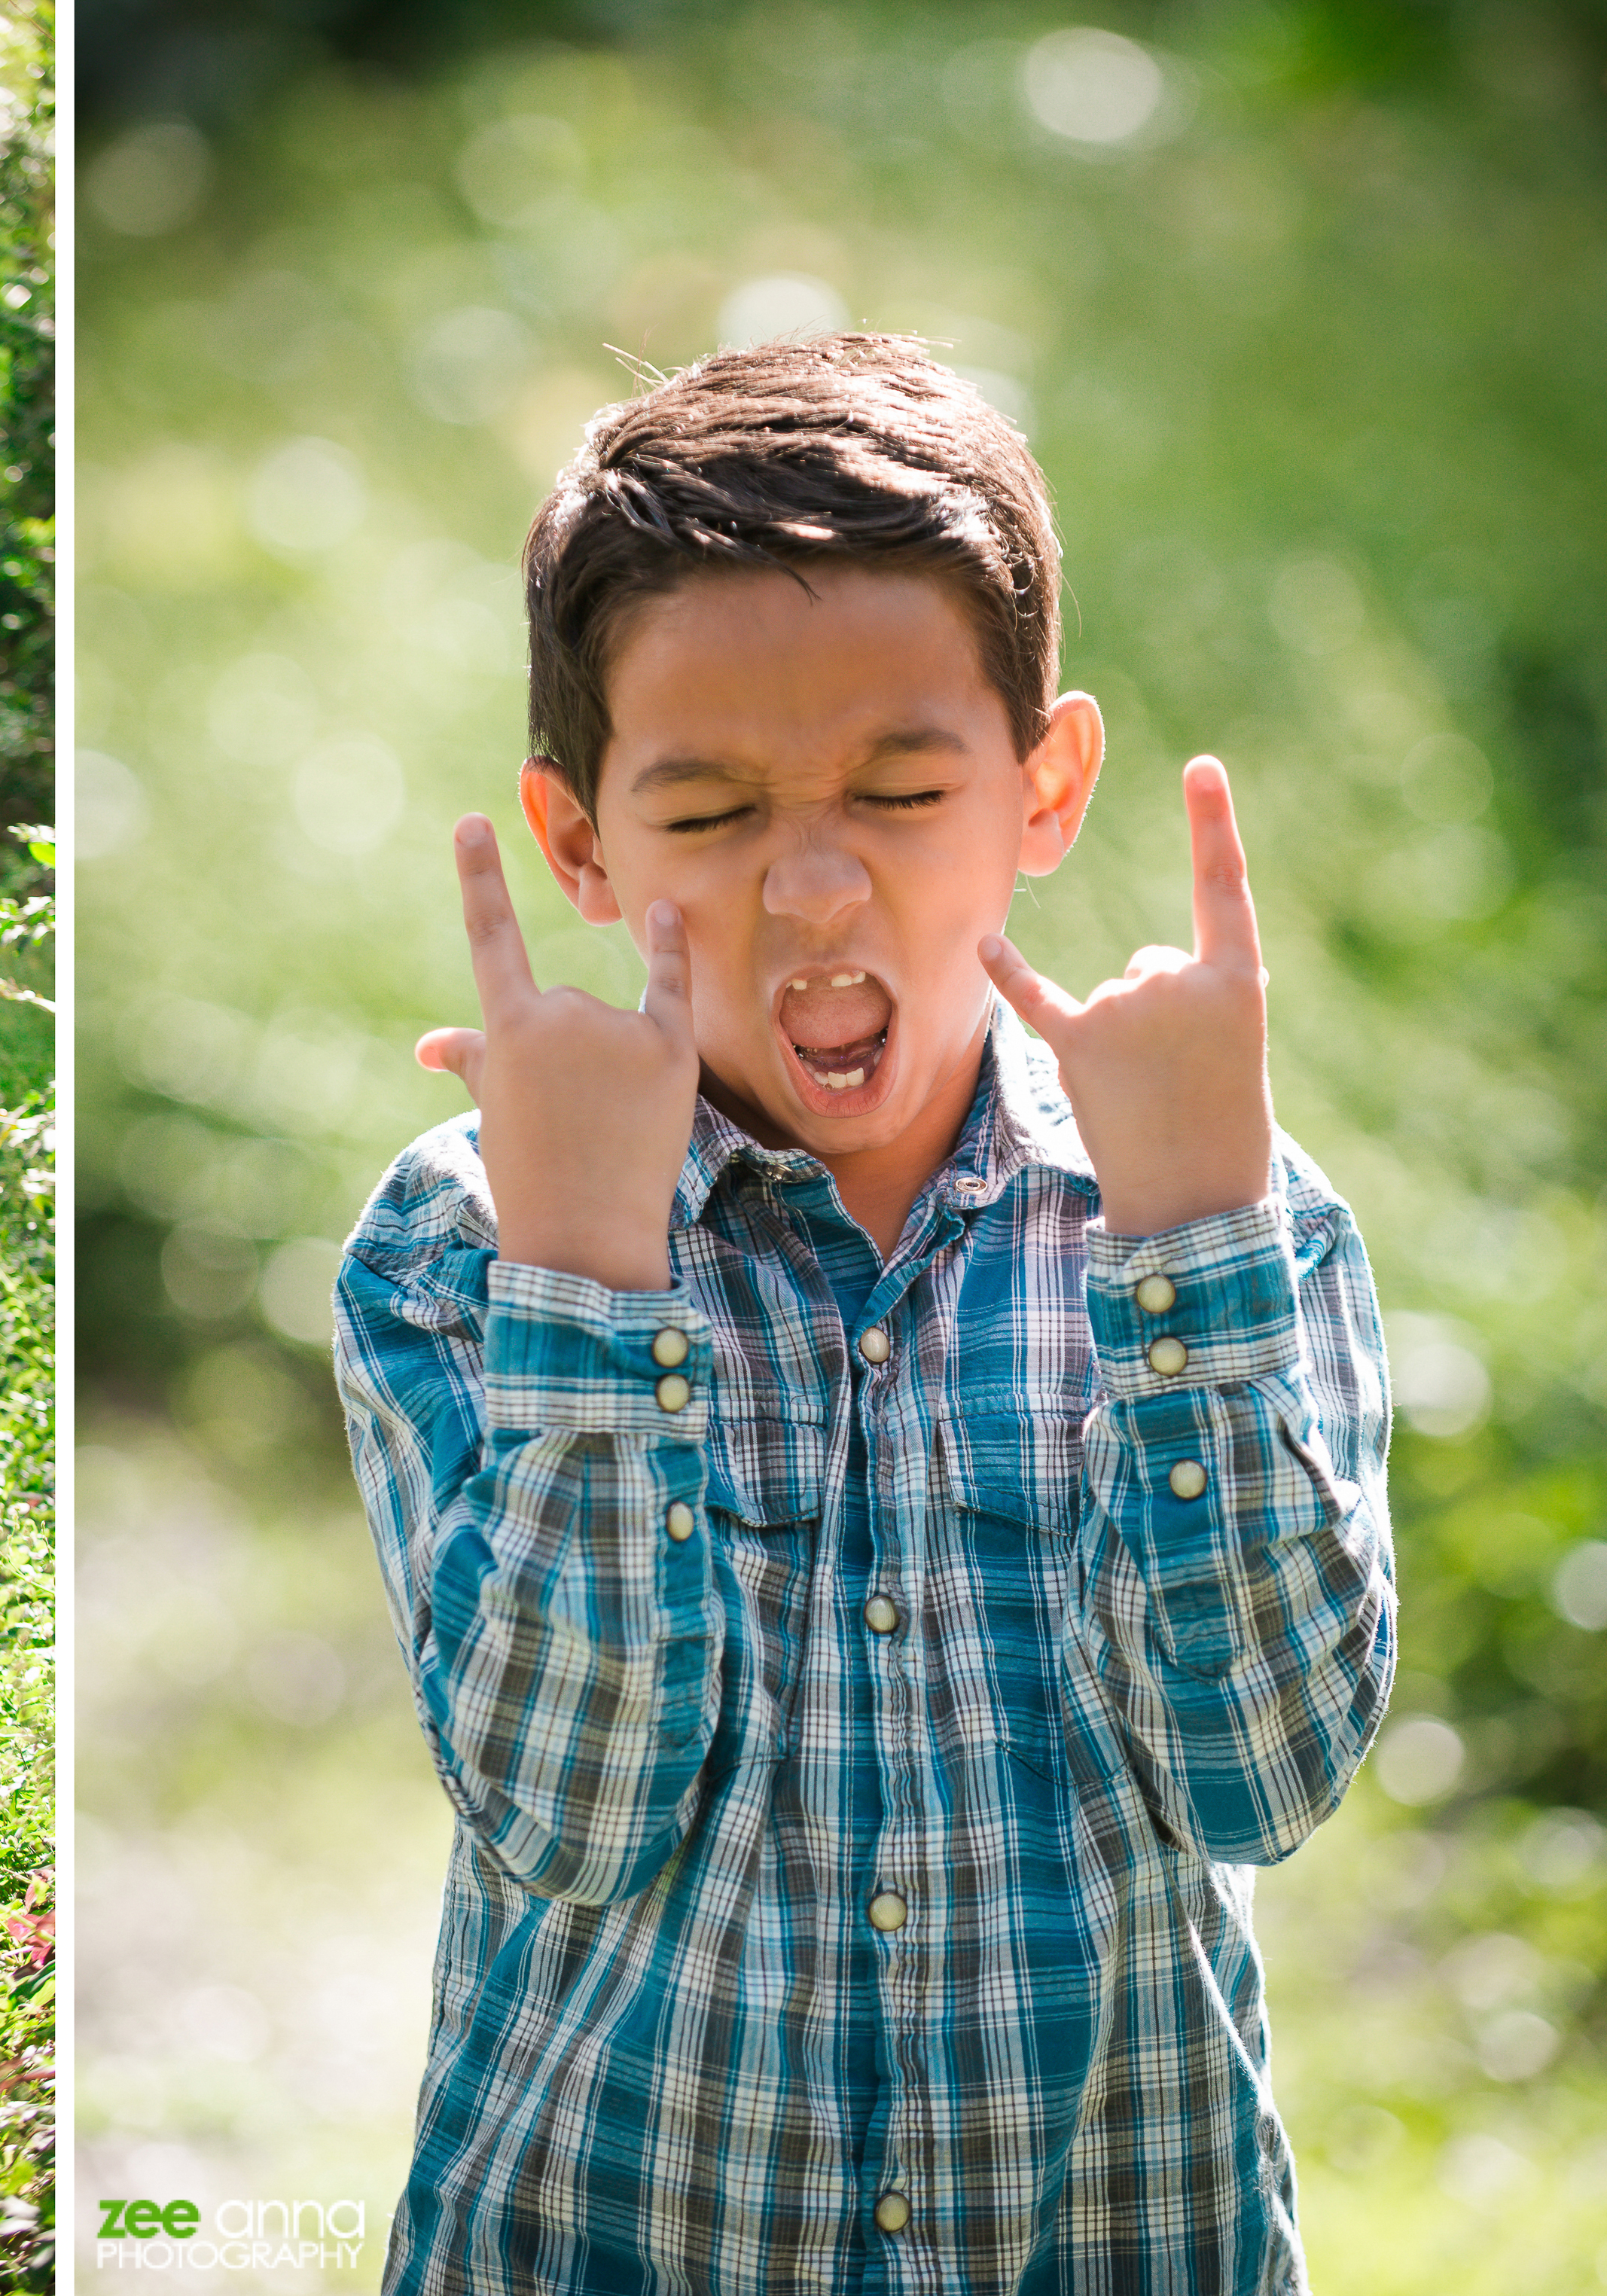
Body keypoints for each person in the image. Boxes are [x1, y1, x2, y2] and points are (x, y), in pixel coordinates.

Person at [334, 337, 1394, 2290]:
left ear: (1042, 787)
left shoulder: (1231, 1216)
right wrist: (588, 1288)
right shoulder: (465, 1240)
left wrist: (1187, 1255)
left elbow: (1271, 1770)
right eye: (713, 812)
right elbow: (563, 1815)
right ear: (580, 841)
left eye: (903, 787)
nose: (814, 892)